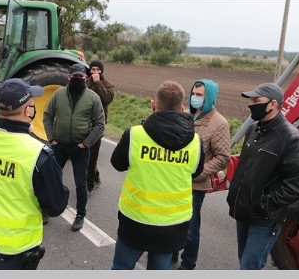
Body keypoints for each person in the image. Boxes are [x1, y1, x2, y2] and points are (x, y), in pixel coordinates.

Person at [0, 78, 69, 270]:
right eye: (32, 103)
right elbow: (55, 206)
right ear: (26, 110)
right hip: (15, 250)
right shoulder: (38, 153)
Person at [110, 81, 203, 270]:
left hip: (135, 222)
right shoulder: (195, 141)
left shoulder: (135, 135)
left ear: (153, 105)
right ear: (183, 108)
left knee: (121, 268)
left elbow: (117, 164)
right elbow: (196, 172)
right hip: (172, 227)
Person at [226, 83, 299, 269]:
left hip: (264, 217)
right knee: (244, 262)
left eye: (256, 100)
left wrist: (264, 204)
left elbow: (297, 184)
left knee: (249, 266)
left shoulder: (290, 138)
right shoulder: (253, 129)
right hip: (244, 212)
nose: (250, 104)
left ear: (272, 104)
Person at [42, 62, 105, 232]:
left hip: (81, 149)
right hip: (59, 146)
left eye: (80, 76)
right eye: (74, 76)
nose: (77, 79)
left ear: (85, 77)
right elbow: (47, 115)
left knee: (80, 183)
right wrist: (51, 138)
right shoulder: (58, 94)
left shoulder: (93, 98)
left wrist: (86, 143)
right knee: (52, 180)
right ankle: (46, 210)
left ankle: (80, 215)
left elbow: (100, 124)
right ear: (68, 77)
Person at [177, 79, 231, 270]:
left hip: (194, 184)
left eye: (199, 95)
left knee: (191, 228)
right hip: (175, 180)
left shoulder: (219, 123)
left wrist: (197, 172)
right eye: (193, 93)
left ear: (209, 98)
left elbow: (223, 157)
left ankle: (188, 264)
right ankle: (171, 251)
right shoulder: (184, 115)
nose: (195, 98)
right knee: (173, 220)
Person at [86, 59, 115, 194]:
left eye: (98, 70)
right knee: (86, 154)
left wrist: (98, 83)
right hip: (85, 123)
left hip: (98, 124)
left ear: (102, 71)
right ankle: (94, 177)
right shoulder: (85, 83)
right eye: (93, 69)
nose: (95, 72)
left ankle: (90, 184)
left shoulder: (108, 85)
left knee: (92, 156)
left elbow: (106, 99)